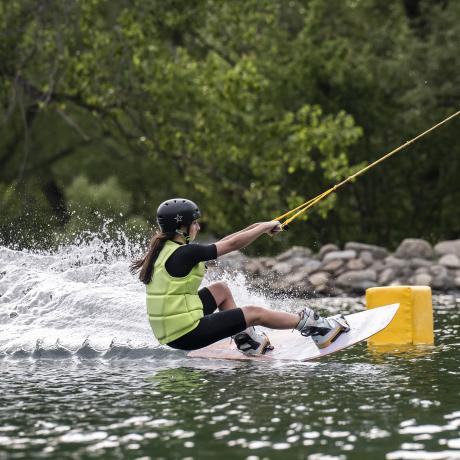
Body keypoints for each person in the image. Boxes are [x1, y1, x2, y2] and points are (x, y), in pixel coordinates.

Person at [130, 198, 349, 356]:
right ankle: (316, 328)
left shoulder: (163, 249)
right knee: (255, 313)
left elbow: (226, 240)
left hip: (172, 330)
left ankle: (247, 340)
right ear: (182, 227)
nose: (198, 226)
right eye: (194, 223)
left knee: (221, 289)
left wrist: (259, 227)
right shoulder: (186, 253)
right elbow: (232, 245)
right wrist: (263, 228)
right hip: (186, 334)